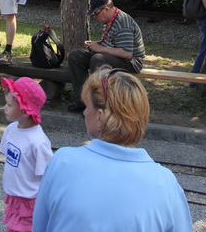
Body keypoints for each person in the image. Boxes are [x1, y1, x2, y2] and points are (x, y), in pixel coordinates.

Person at [33, 69, 193, 232]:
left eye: (87, 106)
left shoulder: (62, 162)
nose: (84, 112)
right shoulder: (166, 183)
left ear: (100, 116)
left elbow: (39, 226)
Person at [67, 0, 145, 113]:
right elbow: (111, 43)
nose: (95, 17)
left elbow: (126, 53)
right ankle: (83, 102)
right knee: (75, 56)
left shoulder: (123, 23)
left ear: (106, 9)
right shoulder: (109, 19)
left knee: (98, 59)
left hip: (131, 62)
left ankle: (99, 105)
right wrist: (96, 44)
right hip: (115, 56)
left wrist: (100, 48)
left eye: (96, 14)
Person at [0, 77, 53, 232]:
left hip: (30, 199)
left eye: (9, 105)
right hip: (15, 195)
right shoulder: (11, 130)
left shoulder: (38, 142)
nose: (4, 108)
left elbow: (48, 175)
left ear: (24, 110)